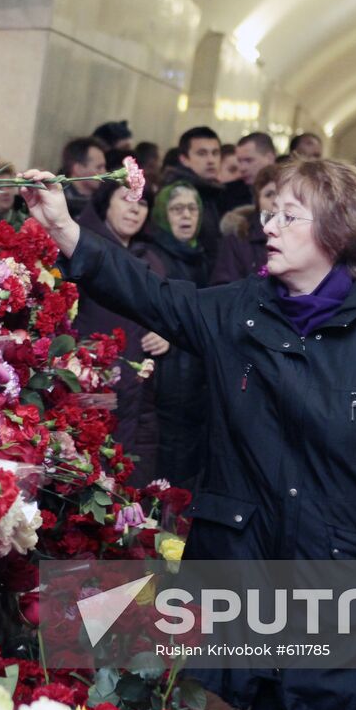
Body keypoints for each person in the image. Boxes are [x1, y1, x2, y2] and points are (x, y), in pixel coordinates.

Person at [20, 159, 356, 710]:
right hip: (265, 575)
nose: (271, 226)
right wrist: (64, 229)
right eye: (271, 212)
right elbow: (149, 293)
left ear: (339, 233)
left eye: (292, 216)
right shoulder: (238, 311)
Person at [74, 181, 161, 481]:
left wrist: (166, 336)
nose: (135, 208)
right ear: (104, 204)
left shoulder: (152, 261)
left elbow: (170, 316)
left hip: (139, 393)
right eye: (126, 199)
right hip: (89, 385)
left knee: (128, 483)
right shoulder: (82, 249)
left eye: (143, 203)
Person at [137, 182, 211, 487]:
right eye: (177, 208)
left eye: (192, 208)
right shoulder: (152, 255)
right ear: (162, 215)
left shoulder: (201, 257)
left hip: (195, 377)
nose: (186, 215)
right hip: (166, 377)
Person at [163, 127, 249, 264]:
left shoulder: (210, 191)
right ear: (184, 159)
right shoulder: (177, 194)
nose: (211, 160)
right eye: (202, 154)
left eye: (215, 153)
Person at [211, 163, 280, 285]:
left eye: (280, 193)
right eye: (269, 194)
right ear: (258, 202)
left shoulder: (299, 236)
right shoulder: (238, 238)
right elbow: (224, 289)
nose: (275, 201)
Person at [59, 137, 108, 218]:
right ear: (78, 169)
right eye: (99, 167)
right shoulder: (59, 200)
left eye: (104, 167)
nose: (105, 172)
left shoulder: (104, 200)